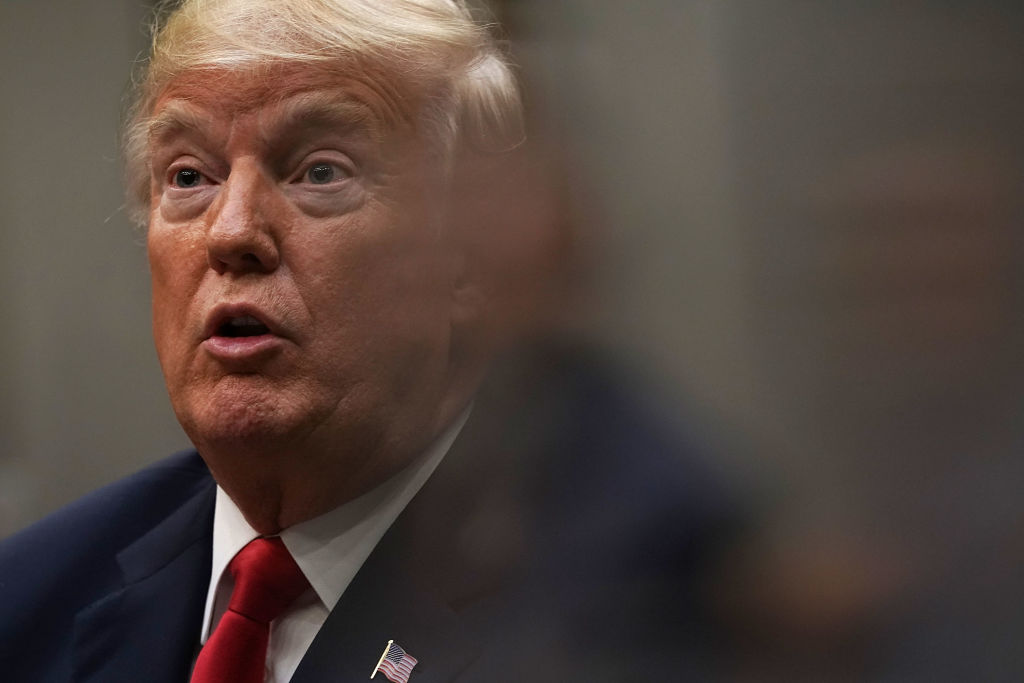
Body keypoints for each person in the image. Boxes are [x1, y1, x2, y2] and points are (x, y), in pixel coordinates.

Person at [0, 1, 738, 681]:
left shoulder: (642, 604)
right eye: (189, 176)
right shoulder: (29, 600)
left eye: (321, 171)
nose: (231, 233)